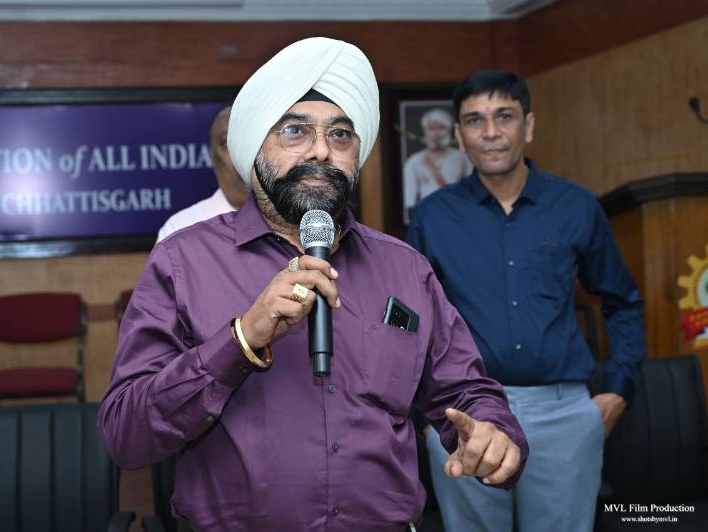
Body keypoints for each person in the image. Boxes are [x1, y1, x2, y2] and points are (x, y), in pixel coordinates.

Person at [99, 39, 528, 532]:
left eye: (341, 134)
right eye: (295, 131)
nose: (322, 150)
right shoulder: (183, 262)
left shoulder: (405, 268)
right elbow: (126, 435)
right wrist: (241, 339)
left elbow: (467, 391)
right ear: (254, 149)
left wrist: (494, 435)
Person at [407, 70, 646, 532]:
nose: (490, 132)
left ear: (529, 125)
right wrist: (425, 416)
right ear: (459, 135)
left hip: (564, 413)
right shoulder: (433, 217)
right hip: (465, 411)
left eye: (505, 116)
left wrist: (617, 392)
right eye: (475, 120)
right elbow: (414, 321)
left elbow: (623, 302)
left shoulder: (577, 206)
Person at [157, 105, 249, 242]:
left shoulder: (284, 220)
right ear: (213, 159)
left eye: (248, 141)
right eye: (227, 143)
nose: (240, 153)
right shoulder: (180, 231)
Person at [402, 107, 472, 223]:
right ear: (425, 131)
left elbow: (471, 193)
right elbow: (409, 202)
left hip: (457, 217)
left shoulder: (463, 158)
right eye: (432, 129)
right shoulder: (413, 162)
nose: (436, 134)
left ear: (449, 130)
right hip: (426, 218)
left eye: (441, 128)